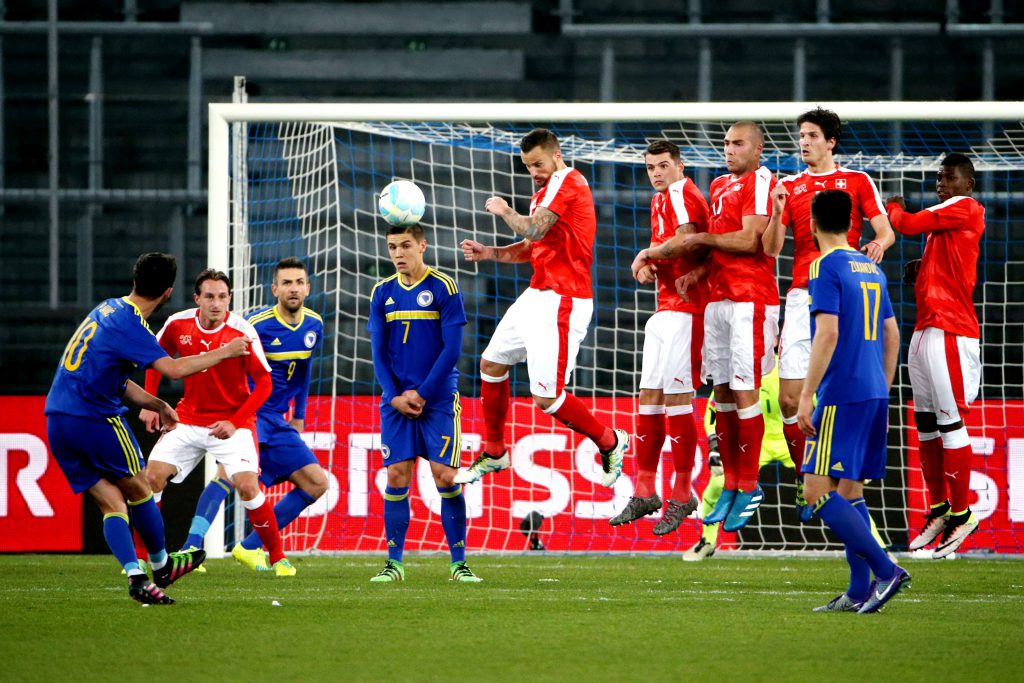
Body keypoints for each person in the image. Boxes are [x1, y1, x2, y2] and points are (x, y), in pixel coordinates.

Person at [43, 252, 250, 604]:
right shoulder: (133, 324)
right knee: (140, 489)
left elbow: (115, 378)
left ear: (134, 279)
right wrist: (225, 352)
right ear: (168, 292)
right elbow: (172, 369)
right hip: (94, 419)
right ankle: (163, 565)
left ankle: (137, 578)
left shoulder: (108, 308)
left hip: (57, 420)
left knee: (111, 503)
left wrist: (154, 403)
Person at [456, 128, 628, 487]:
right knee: (491, 364)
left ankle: (611, 441)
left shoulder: (569, 182)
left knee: (546, 397)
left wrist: (503, 209)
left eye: (538, 163)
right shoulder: (544, 193)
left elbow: (533, 231)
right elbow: (531, 246)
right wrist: (490, 252)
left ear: (557, 154)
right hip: (537, 294)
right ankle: (495, 450)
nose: (533, 171)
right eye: (528, 166)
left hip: (563, 300)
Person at [762, 108, 896, 521]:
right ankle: (815, 479)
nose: (803, 142)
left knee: (843, 387)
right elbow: (771, 249)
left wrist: (879, 246)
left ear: (831, 141)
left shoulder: (856, 181)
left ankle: (837, 483)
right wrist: (777, 211)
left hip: (847, 290)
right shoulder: (789, 185)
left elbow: (885, 230)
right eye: (800, 135)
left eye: (811, 135)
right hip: (804, 294)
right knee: (789, 397)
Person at [141, 269, 296, 577]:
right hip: (188, 419)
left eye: (222, 297)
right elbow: (156, 360)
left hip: (233, 421)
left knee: (248, 486)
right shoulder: (178, 324)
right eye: (209, 296)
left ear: (230, 299)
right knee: (150, 480)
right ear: (197, 298)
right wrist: (151, 403)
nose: (216, 303)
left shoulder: (243, 331)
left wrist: (235, 421)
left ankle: (279, 559)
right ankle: (150, 558)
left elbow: (264, 383)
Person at [177, 257, 329, 572]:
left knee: (316, 483)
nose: (293, 289)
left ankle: (249, 547)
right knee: (227, 476)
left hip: (278, 420)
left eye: (299, 282)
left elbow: (304, 369)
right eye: (286, 283)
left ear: (308, 287)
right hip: (249, 413)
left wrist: (298, 414)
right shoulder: (255, 325)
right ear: (274, 289)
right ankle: (190, 548)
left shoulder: (314, 324)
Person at [797, 190, 909, 614]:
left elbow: (827, 333)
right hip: (874, 390)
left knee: (815, 491)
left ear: (810, 223)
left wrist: (807, 395)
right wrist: (880, 385)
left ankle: (885, 569)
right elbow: (893, 334)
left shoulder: (823, 265)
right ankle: (859, 590)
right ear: (851, 224)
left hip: (841, 392)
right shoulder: (870, 266)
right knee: (851, 490)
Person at [676, 121, 779, 533]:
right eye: (725, 143)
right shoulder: (719, 185)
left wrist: (700, 241)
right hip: (719, 299)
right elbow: (722, 242)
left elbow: (751, 240)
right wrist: (700, 271)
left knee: (744, 390)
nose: (729, 149)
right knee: (720, 393)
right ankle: (732, 483)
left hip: (750, 301)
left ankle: (748, 485)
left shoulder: (762, 180)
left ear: (757, 149)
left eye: (738, 143)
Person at [367, 222, 481, 583]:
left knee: (445, 477)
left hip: (437, 399)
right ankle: (394, 564)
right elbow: (378, 353)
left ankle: (459, 564)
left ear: (422, 246)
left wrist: (421, 393)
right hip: (396, 400)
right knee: (397, 476)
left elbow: (452, 350)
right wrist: (394, 395)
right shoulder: (382, 292)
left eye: (405, 246)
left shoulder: (443, 287)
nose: (398, 254)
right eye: (392, 247)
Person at [886, 153, 985, 557]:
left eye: (949, 177)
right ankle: (941, 508)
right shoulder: (945, 221)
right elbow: (946, 260)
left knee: (949, 421)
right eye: (939, 177)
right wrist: (923, 266)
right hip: (927, 327)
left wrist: (890, 204)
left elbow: (905, 223)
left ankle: (964, 515)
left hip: (951, 330)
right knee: (924, 421)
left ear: (968, 184)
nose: (941, 182)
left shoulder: (965, 207)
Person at [612, 139, 709, 533]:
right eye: (651, 166)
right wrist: (650, 263)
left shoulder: (682, 192)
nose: (656, 172)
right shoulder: (660, 200)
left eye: (663, 165)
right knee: (649, 396)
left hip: (691, 310)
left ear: (680, 166)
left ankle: (683, 491)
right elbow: (677, 249)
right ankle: (646, 489)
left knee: (677, 398)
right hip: (667, 308)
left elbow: (687, 238)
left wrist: (646, 254)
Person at [684, 361, 789, 560]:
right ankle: (707, 541)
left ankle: (863, 540)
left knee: (833, 487)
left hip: (788, 439)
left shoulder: (787, 365)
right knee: (714, 488)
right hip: (756, 443)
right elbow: (715, 410)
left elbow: (815, 405)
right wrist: (715, 448)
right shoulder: (738, 365)